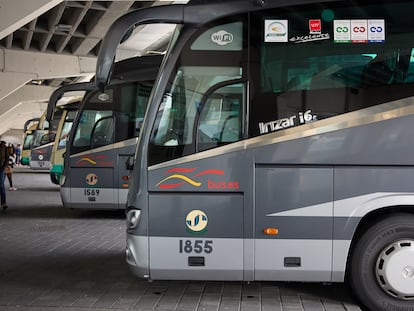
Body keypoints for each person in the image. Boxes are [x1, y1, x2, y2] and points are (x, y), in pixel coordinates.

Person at [0, 141, 9, 210]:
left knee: (1, 185)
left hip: (1, 168)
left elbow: (7, 158)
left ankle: (3, 203)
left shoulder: (3, 147)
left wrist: (4, 166)